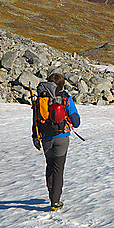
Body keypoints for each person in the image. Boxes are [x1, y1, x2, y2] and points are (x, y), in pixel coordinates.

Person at [32, 73, 80, 211]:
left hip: (46, 137)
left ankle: (51, 194)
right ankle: (55, 201)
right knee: (58, 168)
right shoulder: (65, 97)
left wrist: (35, 137)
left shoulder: (40, 99)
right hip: (61, 137)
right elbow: (76, 122)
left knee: (50, 165)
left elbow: (35, 120)